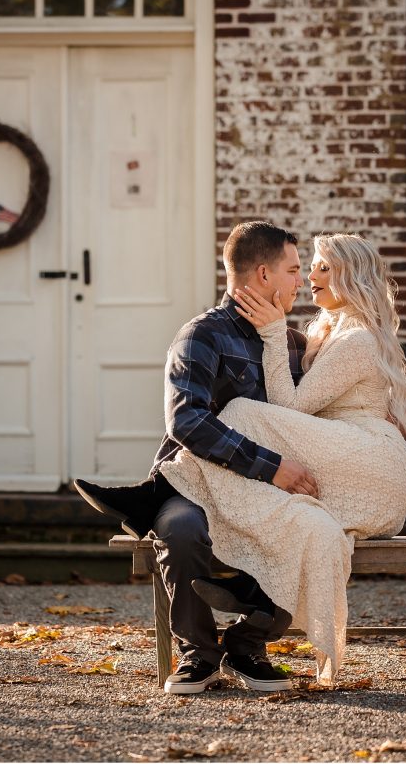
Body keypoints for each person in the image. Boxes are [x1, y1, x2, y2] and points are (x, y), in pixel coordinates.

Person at [160, 232, 406, 685]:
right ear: (265, 274)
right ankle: (242, 627)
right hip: (339, 454)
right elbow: (187, 420)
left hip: (368, 459)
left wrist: (275, 335)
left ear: (350, 277)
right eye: (302, 267)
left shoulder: (341, 338)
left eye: (320, 267)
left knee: (242, 413)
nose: (309, 277)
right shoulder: (222, 334)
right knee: (308, 527)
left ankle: (152, 494)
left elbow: (290, 410)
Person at [74, 221, 315, 695]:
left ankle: (247, 647)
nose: (300, 281)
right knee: (181, 529)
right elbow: (186, 423)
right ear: (263, 275)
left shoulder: (291, 345)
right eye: (293, 269)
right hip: (194, 483)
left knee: (315, 531)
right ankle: (198, 654)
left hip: (264, 493)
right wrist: (273, 467)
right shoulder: (201, 336)